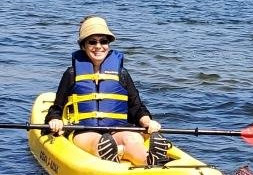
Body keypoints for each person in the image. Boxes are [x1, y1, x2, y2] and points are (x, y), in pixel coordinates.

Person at [46, 15, 170, 166]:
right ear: (83, 46)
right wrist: (55, 120)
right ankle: (110, 155)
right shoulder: (71, 74)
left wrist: (147, 121)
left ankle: (150, 161)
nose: (98, 46)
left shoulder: (122, 74)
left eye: (103, 41)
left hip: (118, 128)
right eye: (92, 42)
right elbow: (56, 109)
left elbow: (136, 107)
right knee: (99, 142)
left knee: (132, 140)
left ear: (108, 44)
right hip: (85, 130)